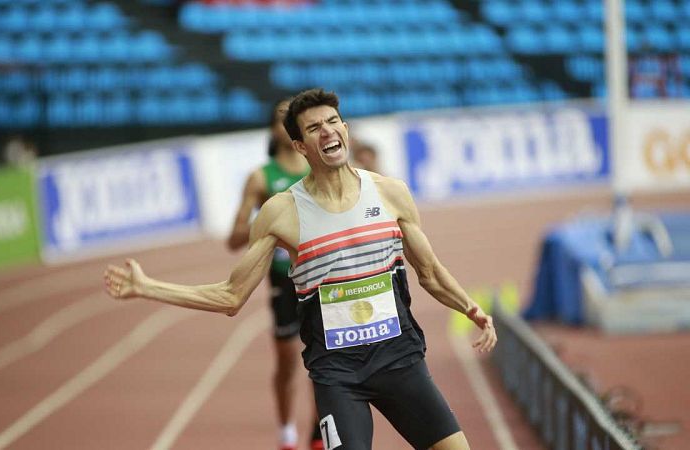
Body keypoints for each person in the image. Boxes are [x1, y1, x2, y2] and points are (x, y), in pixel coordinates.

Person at [104, 88, 496, 450]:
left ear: (345, 129)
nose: (327, 131)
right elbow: (231, 296)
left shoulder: (391, 193)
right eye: (313, 128)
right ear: (300, 145)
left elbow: (430, 272)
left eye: (332, 122)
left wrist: (471, 308)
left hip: (400, 361)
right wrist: (148, 287)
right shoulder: (282, 212)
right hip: (338, 376)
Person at [226, 99, 321, 450]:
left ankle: (318, 432)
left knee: (326, 359)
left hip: (321, 274)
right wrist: (267, 222)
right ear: (272, 129)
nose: (288, 121)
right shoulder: (261, 177)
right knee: (287, 361)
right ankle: (286, 432)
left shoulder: (320, 167)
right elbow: (234, 239)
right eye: (282, 117)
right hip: (284, 278)